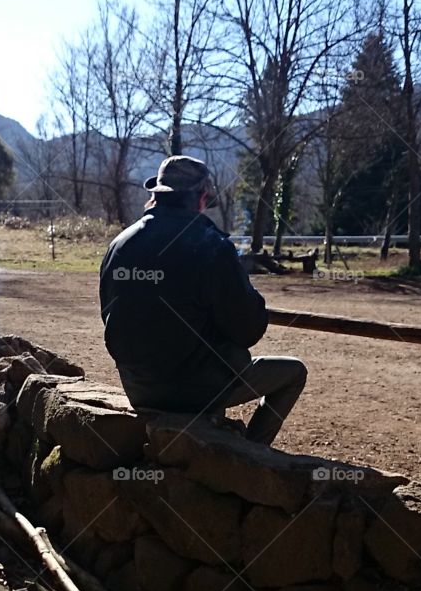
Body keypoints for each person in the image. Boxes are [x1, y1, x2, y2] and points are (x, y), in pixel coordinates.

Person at [99, 155, 307, 445]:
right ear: (201, 197)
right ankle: (253, 454)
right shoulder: (210, 246)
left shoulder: (119, 245)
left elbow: (109, 314)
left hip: (139, 387)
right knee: (294, 372)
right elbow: (248, 330)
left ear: (157, 195)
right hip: (196, 391)